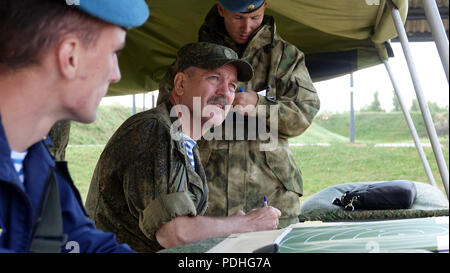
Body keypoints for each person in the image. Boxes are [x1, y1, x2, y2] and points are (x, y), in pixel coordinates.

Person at [85, 42, 282, 253]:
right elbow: (174, 233)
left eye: (232, 85)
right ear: (180, 84)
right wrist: (246, 224)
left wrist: (232, 224)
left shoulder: (181, 139)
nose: (225, 93)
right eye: (214, 78)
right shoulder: (154, 130)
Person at [0, 0, 149, 253]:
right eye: (113, 53)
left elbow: (78, 241)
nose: (116, 75)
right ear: (70, 56)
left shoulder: (32, 156)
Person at [157, 0, 321, 228]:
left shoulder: (286, 57)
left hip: (271, 199)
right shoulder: (194, 58)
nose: (247, 27)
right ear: (221, 9)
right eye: (238, 18)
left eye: (255, 18)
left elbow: (303, 113)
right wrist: (204, 109)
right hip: (207, 200)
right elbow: (167, 116)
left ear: (266, 7)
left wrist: (259, 105)